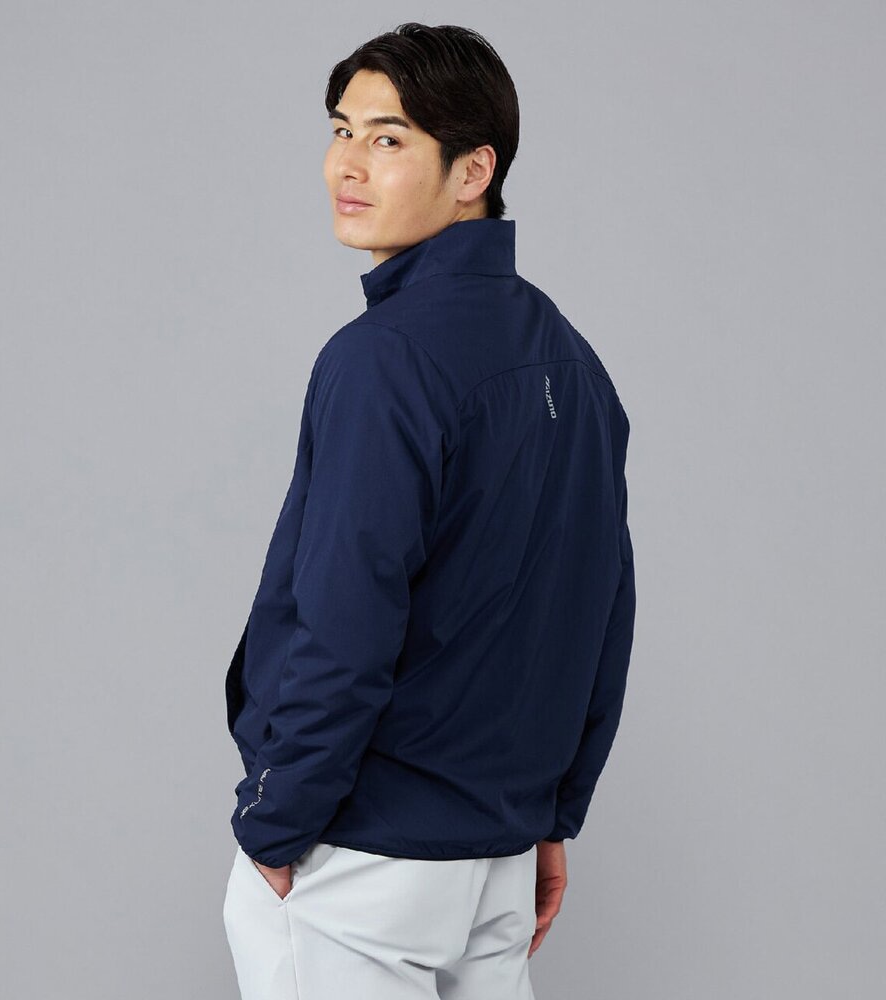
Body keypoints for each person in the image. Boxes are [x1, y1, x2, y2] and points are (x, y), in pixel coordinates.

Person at [222, 22, 636, 1000]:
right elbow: (598, 610)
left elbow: (344, 624)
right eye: (341, 130)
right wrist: (550, 815)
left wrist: (276, 821)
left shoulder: (382, 360)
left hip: (361, 859)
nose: (346, 165)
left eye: (389, 138)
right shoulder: (573, 360)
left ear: (472, 171)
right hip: (496, 860)